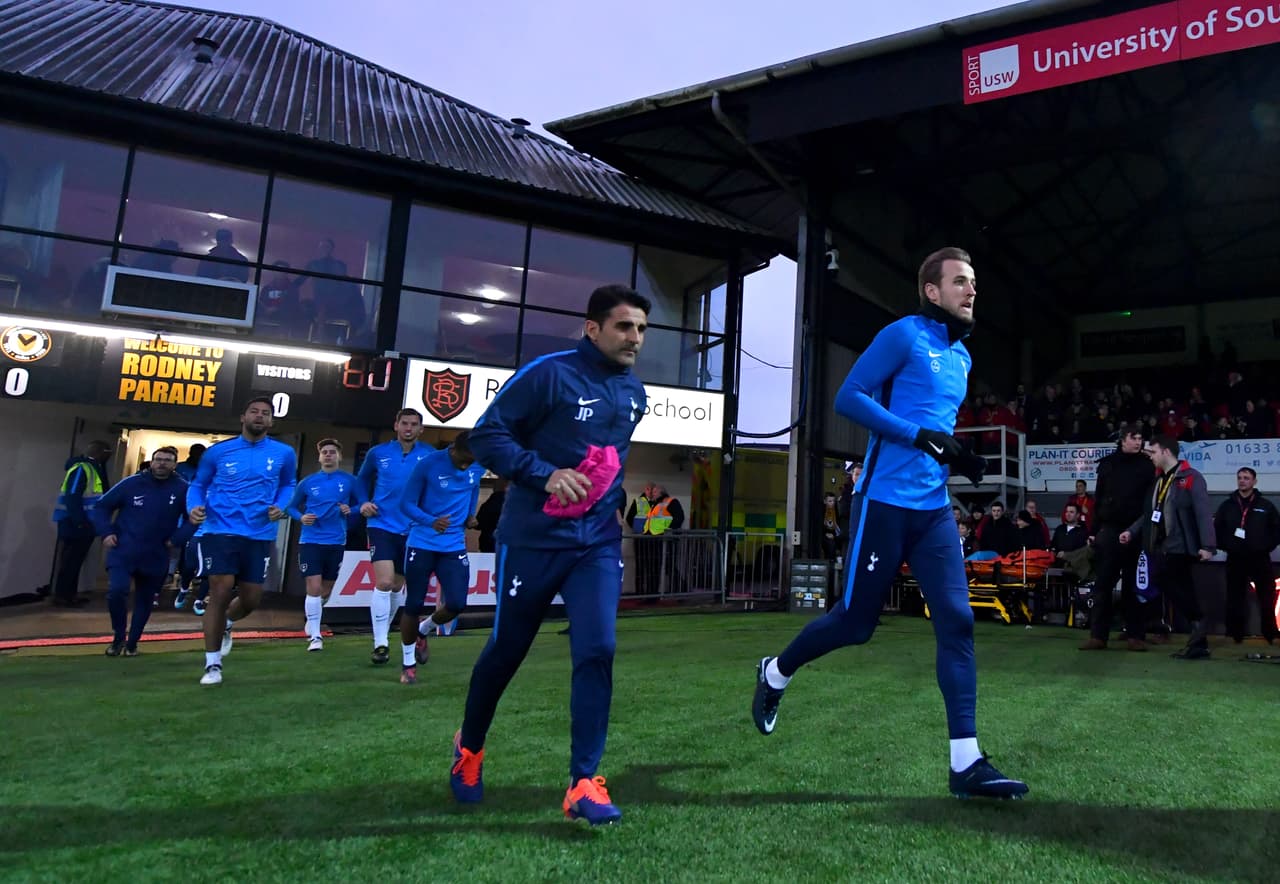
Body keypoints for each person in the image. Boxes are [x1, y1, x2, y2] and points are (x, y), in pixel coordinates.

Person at [750, 247, 1028, 800]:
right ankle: (775, 672)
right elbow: (847, 398)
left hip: (933, 511)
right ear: (932, 291)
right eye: (961, 283)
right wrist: (918, 437)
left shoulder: (962, 359)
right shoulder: (904, 335)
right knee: (856, 623)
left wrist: (956, 456)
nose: (972, 292)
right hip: (881, 503)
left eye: (974, 284)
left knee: (958, 622)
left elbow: (936, 427)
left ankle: (966, 763)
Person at [449, 283, 649, 825]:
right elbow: (486, 435)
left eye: (641, 329)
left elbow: (608, 460)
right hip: (533, 539)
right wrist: (545, 474)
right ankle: (468, 749)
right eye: (625, 326)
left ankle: (584, 781)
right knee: (507, 650)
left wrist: (605, 505)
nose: (636, 338)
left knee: (598, 648)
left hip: (597, 545)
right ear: (593, 328)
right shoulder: (548, 373)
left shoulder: (635, 393)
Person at [187, 397, 297, 685]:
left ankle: (226, 624)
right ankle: (212, 665)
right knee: (220, 590)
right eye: (254, 412)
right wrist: (193, 507)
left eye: (265, 414)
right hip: (219, 529)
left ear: (272, 422)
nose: (259, 417)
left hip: (259, 533)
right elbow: (198, 485)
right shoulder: (218, 452)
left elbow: (289, 484)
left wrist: (281, 505)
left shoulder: (284, 453)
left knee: (251, 598)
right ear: (243, 417)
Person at [398, 432, 484, 684]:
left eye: (472, 461)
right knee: (413, 604)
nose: (467, 466)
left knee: (457, 603)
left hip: (453, 544)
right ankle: (408, 664)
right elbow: (406, 504)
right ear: (453, 449)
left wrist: (470, 514)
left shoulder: (477, 463)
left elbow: (474, 486)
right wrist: (430, 521)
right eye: (463, 460)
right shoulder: (428, 464)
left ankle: (423, 631)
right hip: (422, 541)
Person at [1122, 435, 1216, 659]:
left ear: (1166, 452)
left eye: (1152, 452)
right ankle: (1198, 638)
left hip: (1181, 547)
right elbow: (1148, 514)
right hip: (1162, 546)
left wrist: (1208, 545)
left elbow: (1203, 513)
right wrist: (1131, 531)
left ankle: (1198, 626)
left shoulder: (1191, 478)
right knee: (1182, 589)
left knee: (1169, 582)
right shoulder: (1159, 481)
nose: (1150, 457)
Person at [90, 446, 187, 655]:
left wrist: (178, 538)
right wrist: (106, 532)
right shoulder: (132, 483)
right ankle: (118, 637)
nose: (162, 463)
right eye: (158, 459)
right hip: (123, 549)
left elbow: (194, 518)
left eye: (167, 460)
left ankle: (132, 643)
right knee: (117, 591)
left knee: (145, 599)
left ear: (174, 464)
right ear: (151, 462)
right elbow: (102, 506)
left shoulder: (182, 488)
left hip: (156, 553)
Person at [357, 409, 434, 665]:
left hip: (413, 527)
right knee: (386, 581)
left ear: (421, 429)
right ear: (396, 425)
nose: (409, 428)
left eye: (414, 424)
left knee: (398, 585)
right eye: (404, 423)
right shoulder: (378, 453)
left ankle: (384, 636)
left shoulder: (430, 455)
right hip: (381, 524)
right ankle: (380, 643)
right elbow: (361, 481)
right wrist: (363, 502)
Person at [286, 438, 367, 652]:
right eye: (325, 452)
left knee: (327, 588)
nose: (328, 455)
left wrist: (352, 510)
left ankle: (313, 617)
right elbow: (291, 507)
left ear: (339, 456)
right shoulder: (308, 482)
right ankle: (315, 635)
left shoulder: (350, 480)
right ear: (319, 456)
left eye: (332, 452)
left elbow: (363, 503)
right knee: (313, 586)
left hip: (336, 541)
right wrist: (302, 518)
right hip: (310, 540)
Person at [1080, 424, 1153, 652]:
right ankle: (1098, 636)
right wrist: (1093, 530)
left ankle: (1135, 635)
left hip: (1136, 531)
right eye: (1134, 438)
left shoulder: (1146, 466)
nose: (1138, 442)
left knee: (1134, 585)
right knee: (1103, 583)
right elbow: (1099, 498)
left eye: (1141, 438)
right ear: (1123, 439)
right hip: (1110, 529)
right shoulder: (1108, 465)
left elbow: (1149, 503)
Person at [1214, 467, 1280, 645]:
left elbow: (1276, 530)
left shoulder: (1265, 506)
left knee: (1267, 597)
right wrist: (1226, 546)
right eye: (1240, 478)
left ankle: (1271, 634)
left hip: (1260, 558)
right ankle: (1234, 635)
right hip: (1236, 558)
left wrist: (1265, 546)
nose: (1242, 481)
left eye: (1246, 478)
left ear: (1254, 481)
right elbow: (1217, 529)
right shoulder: (1227, 506)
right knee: (1235, 598)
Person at [51, 440, 113, 607]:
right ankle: (62, 596)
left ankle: (70, 595)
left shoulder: (94, 467)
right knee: (70, 561)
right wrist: (80, 522)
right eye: (108, 452)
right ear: (102, 452)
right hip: (74, 523)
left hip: (85, 523)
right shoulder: (81, 468)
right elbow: (73, 496)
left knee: (76, 561)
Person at [174, 443, 207, 610]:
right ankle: (184, 588)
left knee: (211, 569)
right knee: (188, 565)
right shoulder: (192, 484)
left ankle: (200, 599)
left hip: (216, 533)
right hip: (194, 530)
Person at [626, 482, 659, 595]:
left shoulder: (657, 503)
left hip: (652, 538)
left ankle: (649, 592)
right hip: (641, 538)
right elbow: (629, 518)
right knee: (641, 566)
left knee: (650, 567)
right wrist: (638, 529)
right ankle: (639, 592)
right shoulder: (639, 501)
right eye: (649, 489)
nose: (650, 492)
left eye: (652, 490)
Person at [474, 478, 507, 553]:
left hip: (488, 542)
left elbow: (479, 524)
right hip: (506, 542)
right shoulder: (513, 504)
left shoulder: (489, 504)